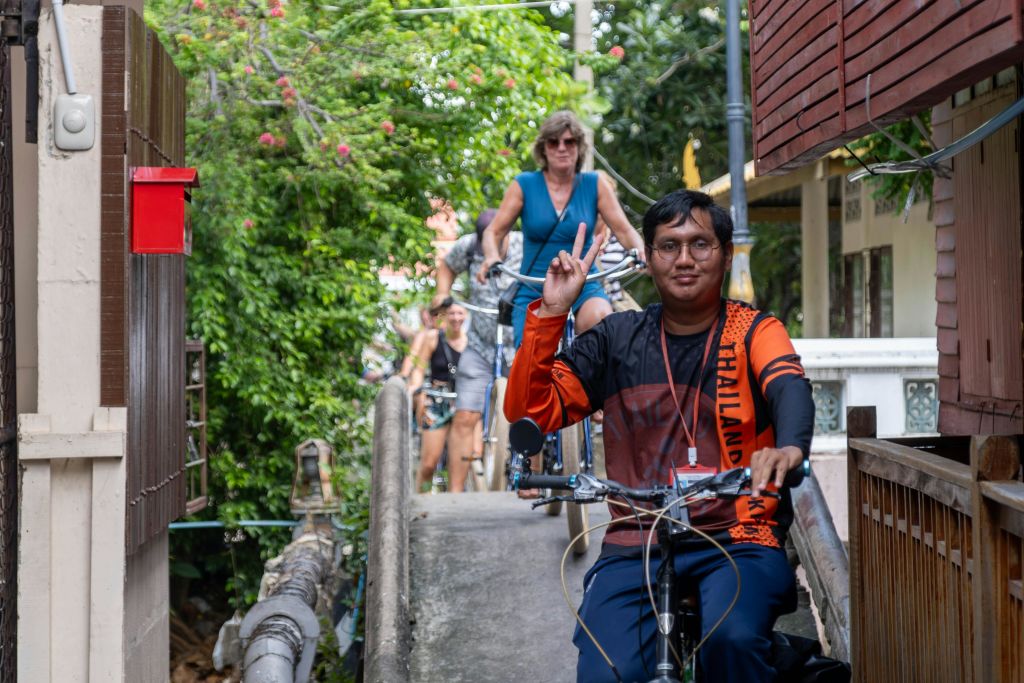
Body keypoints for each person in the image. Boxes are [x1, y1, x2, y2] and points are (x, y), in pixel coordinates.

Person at [505, 189, 815, 681]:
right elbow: (529, 412)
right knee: (606, 671)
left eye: (700, 244)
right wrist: (550, 313)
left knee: (732, 641)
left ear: (726, 254)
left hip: (739, 536)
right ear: (648, 259)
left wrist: (790, 448)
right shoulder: (615, 338)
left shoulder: (755, 330)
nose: (684, 259)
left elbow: (788, 386)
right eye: (669, 246)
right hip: (638, 537)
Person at [477, 110, 644, 347]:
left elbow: (624, 230)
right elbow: (493, 232)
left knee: (602, 324)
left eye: (569, 141)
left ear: (579, 146)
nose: (562, 148)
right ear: (543, 148)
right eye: (553, 142)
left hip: (584, 284)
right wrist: (491, 257)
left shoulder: (594, 184)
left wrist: (642, 253)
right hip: (535, 286)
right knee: (531, 354)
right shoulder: (524, 184)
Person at [430, 209, 523, 492]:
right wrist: (442, 292)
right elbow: (446, 267)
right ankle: (456, 494)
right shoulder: (468, 246)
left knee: (530, 413)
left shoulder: (524, 244)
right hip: (480, 345)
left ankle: (529, 481)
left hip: (519, 345)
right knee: (465, 416)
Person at [407, 303, 469, 493]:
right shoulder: (434, 338)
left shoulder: (471, 342)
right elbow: (419, 368)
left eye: (460, 313)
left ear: (466, 316)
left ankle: (454, 505)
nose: (456, 318)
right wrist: (416, 388)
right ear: (444, 316)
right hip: (437, 400)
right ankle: (422, 499)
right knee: (428, 464)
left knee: (457, 470)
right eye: (451, 313)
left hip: (463, 402)